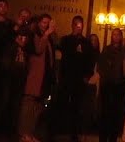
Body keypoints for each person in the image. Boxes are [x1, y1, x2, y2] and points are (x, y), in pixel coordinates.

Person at [54, 15, 98, 142]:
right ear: (72, 25)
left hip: (79, 80)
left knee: (76, 107)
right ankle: (56, 130)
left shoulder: (86, 43)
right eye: (77, 25)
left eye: (81, 25)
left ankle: (74, 134)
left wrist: (87, 76)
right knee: (61, 103)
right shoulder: (66, 40)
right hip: (66, 78)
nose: (79, 27)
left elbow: (90, 61)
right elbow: (62, 54)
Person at [19, 14, 56, 142]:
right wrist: (46, 34)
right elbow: (39, 49)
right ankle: (24, 133)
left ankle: (31, 133)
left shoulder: (49, 38)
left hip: (44, 79)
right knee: (28, 105)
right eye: (44, 22)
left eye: (48, 23)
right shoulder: (34, 35)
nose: (46, 25)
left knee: (38, 107)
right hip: (34, 76)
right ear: (39, 23)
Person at [98, 27, 125, 142]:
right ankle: (103, 138)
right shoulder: (106, 49)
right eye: (114, 34)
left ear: (121, 36)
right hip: (107, 85)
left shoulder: (123, 51)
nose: (116, 37)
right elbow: (101, 66)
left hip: (119, 85)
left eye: (118, 35)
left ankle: (112, 138)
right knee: (105, 113)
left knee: (116, 114)